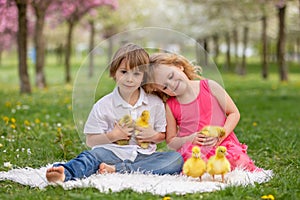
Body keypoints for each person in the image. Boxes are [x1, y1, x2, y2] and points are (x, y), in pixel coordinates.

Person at [46, 44, 184, 183]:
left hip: (144, 155)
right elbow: (90, 140)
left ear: (144, 77)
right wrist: (113, 135)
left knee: (175, 160)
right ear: (114, 72)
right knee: (90, 157)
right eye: (124, 72)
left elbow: (162, 135)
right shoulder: (103, 105)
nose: (129, 79)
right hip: (109, 152)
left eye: (136, 73)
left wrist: (152, 136)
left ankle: (119, 169)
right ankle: (64, 172)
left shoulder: (155, 103)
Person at [143, 52, 261, 172]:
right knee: (194, 166)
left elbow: (234, 113)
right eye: (164, 87)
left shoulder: (210, 87)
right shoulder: (170, 105)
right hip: (195, 150)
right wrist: (190, 138)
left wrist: (221, 135)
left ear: (179, 66)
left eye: (171, 76)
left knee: (239, 161)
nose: (172, 84)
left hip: (223, 143)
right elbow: (171, 141)